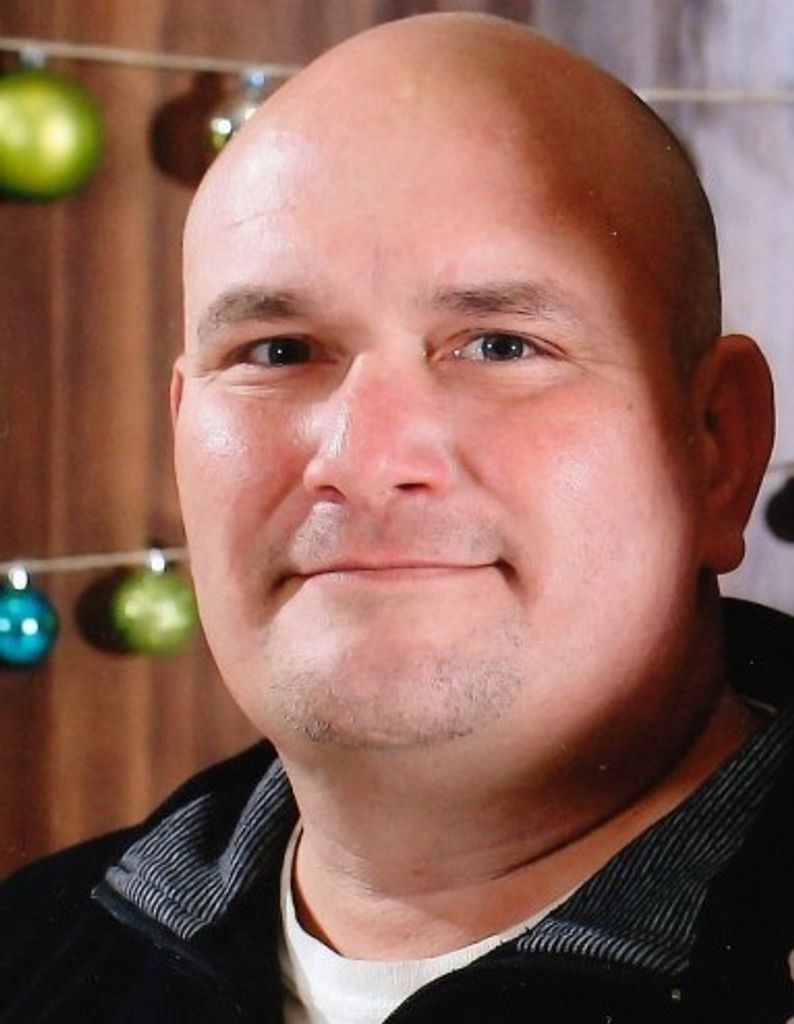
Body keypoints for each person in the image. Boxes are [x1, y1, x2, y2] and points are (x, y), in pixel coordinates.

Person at [1, 11, 793, 1023]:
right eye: (278, 351)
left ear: (715, 449)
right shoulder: (29, 951)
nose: (362, 461)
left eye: (500, 344)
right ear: (181, 430)